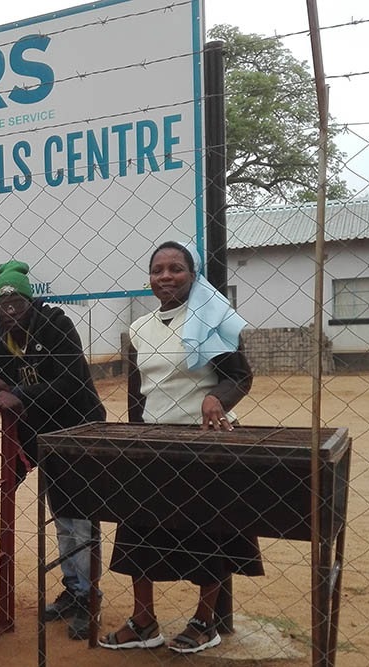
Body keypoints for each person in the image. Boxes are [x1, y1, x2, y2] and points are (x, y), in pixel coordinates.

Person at [98, 241, 260, 655]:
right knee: (138, 529)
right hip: (154, 443)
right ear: (149, 278)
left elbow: (239, 375)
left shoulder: (211, 319)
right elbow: (138, 392)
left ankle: (205, 622)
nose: (165, 276)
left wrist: (217, 398)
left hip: (203, 442)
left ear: (193, 274)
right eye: (158, 270)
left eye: (176, 268)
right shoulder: (141, 328)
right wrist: (135, 438)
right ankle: (144, 620)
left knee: (208, 530)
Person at [0, 260, 106, 641]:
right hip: (45, 438)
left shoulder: (55, 324)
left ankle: (89, 599)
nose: (9, 313)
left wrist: (18, 392)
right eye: (1, 306)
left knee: (81, 518)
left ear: (29, 302)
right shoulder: (1, 337)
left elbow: (71, 382)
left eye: (16, 305)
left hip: (79, 430)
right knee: (61, 515)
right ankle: (74, 590)